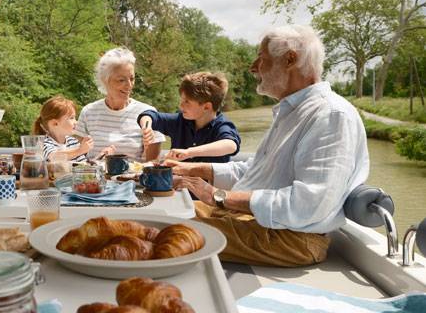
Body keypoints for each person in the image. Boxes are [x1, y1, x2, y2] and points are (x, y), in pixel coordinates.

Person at [169, 24, 368, 267]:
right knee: (163, 210)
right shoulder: (291, 111)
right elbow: (254, 172)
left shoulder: (331, 115)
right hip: (256, 221)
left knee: (165, 231)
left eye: (261, 59)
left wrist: (219, 197)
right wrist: (190, 170)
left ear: (290, 60)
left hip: (290, 237)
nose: (253, 67)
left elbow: (308, 206)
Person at [77, 47, 165, 162]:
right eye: (121, 80)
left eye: (132, 78)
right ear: (105, 80)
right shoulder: (88, 112)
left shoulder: (148, 114)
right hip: (94, 179)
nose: (129, 85)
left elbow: (153, 164)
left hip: (133, 179)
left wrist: (148, 146)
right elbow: (78, 158)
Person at [137, 72, 241, 163]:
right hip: (179, 183)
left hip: (208, 185)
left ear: (206, 107)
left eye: (187, 102)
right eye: (181, 100)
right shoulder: (180, 121)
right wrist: (147, 127)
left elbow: (231, 145)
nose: (181, 106)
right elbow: (149, 114)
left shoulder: (222, 126)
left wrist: (189, 152)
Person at [32, 96, 93, 162]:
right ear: (54, 123)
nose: (76, 122)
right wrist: (80, 150)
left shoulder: (73, 141)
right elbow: (53, 157)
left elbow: (83, 165)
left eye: (75, 118)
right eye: (71, 118)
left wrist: (97, 159)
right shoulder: (43, 143)